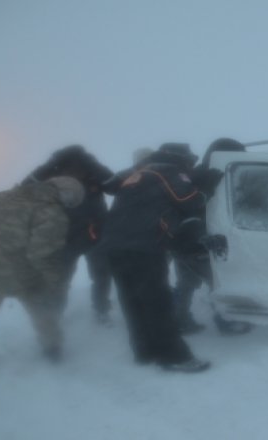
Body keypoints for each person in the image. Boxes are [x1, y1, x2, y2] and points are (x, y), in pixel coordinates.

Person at [0, 177, 84, 372]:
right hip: (21, 271)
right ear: (65, 194)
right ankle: (52, 350)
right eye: (70, 200)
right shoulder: (51, 211)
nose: (68, 204)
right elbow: (42, 252)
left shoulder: (0, 197)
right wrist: (53, 280)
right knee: (41, 309)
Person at [98, 146, 211, 373]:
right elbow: (189, 200)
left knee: (133, 302)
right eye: (189, 161)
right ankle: (174, 357)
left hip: (114, 245)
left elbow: (113, 187)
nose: (190, 166)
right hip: (144, 246)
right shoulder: (167, 171)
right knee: (158, 303)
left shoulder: (137, 174)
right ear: (180, 159)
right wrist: (205, 188)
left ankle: (144, 351)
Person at [23, 145, 116, 324]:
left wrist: (93, 165)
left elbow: (115, 186)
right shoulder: (54, 172)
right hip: (68, 235)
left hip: (92, 233)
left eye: (80, 165)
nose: (76, 170)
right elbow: (27, 187)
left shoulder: (93, 173)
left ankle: (99, 309)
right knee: (65, 277)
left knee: (98, 274)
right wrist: (51, 165)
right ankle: (60, 311)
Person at [170, 138, 252, 335]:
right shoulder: (199, 176)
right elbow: (188, 210)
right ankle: (225, 321)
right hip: (196, 240)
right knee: (215, 282)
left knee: (188, 283)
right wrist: (200, 236)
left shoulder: (207, 173)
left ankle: (177, 320)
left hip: (193, 240)